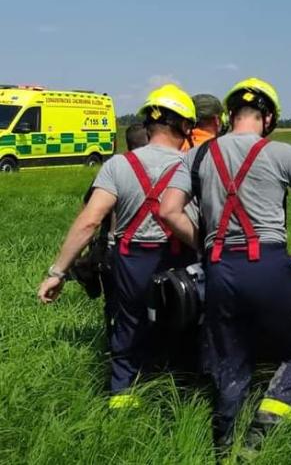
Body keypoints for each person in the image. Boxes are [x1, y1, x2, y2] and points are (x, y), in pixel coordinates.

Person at [159, 78, 291, 452]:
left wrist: (207, 244)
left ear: (229, 115)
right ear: (267, 117)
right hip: (271, 266)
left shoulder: (199, 156)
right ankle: (263, 429)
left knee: (229, 357)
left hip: (221, 269)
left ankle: (223, 444)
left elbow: (168, 210)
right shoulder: (282, 154)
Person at [37, 84, 198, 408]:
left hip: (130, 260)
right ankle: (177, 398)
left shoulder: (118, 166)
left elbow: (88, 221)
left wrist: (58, 272)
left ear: (148, 124)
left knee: (128, 325)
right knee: (183, 324)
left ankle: (123, 397)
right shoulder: (193, 165)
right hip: (179, 258)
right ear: (183, 125)